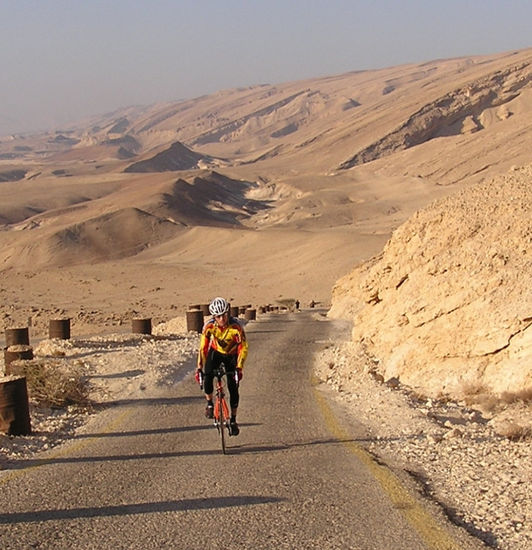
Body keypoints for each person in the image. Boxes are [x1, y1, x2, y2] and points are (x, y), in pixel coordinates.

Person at [196, 297, 248, 436]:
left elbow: (243, 347)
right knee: (207, 376)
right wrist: (199, 367)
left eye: (224, 314)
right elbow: (203, 348)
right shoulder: (209, 326)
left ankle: (233, 420)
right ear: (214, 316)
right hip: (216, 352)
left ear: (228, 313)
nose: (222, 318)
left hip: (232, 355)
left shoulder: (236, 327)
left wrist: (239, 368)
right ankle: (210, 404)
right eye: (218, 316)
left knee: (233, 386)